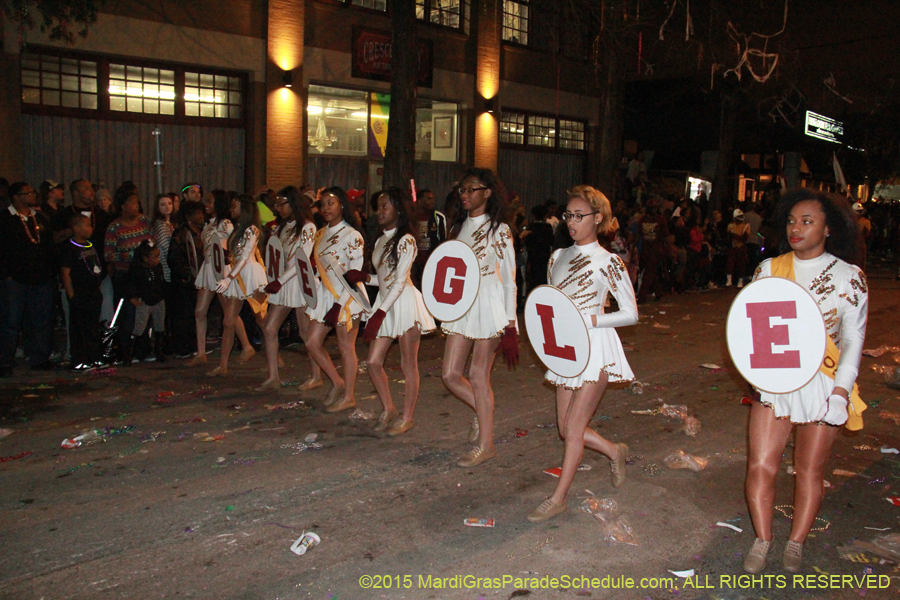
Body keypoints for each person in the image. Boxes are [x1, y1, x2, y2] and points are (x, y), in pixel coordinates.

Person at [743, 189, 867, 574]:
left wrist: (841, 393)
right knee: (761, 464)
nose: (796, 229)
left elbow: (853, 340)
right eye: (792, 221)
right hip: (776, 380)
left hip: (824, 384)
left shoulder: (850, 278)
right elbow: (749, 328)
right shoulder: (768, 269)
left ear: (829, 228)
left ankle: (795, 543)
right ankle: (762, 539)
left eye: (807, 221)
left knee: (809, 469)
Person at [528, 185, 638, 522]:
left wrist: (589, 318)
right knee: (566, 428)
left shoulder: (609, 262)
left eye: (579, 216)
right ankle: (614, 450)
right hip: (565, 349)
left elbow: (631, 313)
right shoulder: (557, 256)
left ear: (598, 218)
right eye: (568, 216)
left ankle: (558, 497)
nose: (571, 222)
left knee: (574, 428)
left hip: (596, 348)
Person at [441, 168, 518, 468]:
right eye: (462, 189)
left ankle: (487, 445)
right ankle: (482, 413)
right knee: (449, 374)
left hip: (490, 305)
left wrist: (510, 324)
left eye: (471, 189)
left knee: (477, 376)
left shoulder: (499, 230)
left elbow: (510, 279)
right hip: (463, 305)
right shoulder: (458, 227)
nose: (464, 194)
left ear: (487, 193)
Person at [346, 188, 436, 435]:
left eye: (385, 206)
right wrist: (366, 277)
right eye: (378, 207)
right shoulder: (380, 239)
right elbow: (385, 279)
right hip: (385, 304)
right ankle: (389, 408)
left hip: (404, 304)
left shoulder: (406, 240)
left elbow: (399, 281)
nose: (379, 211)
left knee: (409, 365)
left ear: (399, 209)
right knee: (373, 362)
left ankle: (407, 417)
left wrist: (379, 313)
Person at [304, 187, 365, 413]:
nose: (326, 208)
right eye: (323, 204)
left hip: (347, 296)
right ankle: (337, 382)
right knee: (311, 341)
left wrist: (339, 304)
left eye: (331, 203)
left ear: (342, 206)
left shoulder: (353, 235)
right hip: (326, 294)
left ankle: (349, 395)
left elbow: (355, 274)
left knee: (345, 347)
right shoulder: (320, 233)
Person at [258, 186, 321, 391]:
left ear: (293, 203)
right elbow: (276, 256)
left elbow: (301, 260)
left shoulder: (308, 227)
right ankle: (273, 375)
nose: (277, 208)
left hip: (300, 280)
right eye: (276, 204)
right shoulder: (281, 227)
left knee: (305, 333)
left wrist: (279, 280)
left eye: (281, 204)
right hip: (284, 281)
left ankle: (316, 376)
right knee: (269, 328)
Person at [186, 190, 254, 366]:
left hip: (222, 269)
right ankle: (201, 352)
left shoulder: (227, 224)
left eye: (210, 201)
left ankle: (246, 346)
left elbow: (233, 247)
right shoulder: (209, 224)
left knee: (229, 313)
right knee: (200, 311)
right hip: (208, 268)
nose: (206, 204)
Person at [0, 182, 58, 376]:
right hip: (15, 280)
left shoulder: (40, 217)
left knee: (41, 320)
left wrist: (51, 271)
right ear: (16, 197)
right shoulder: (5, 219)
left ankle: (40, 358)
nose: (33, 195)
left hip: (41, 278)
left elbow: (49, 246)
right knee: (11, 321)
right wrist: (6, 275)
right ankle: (4, 361)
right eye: (28, 193)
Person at [210, 194, 268, 376]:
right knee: (228, 321)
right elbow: (233, 256)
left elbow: (244, 258)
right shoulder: (236, 229)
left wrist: (229, 277)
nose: (231, 210)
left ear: (244, 208)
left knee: (262, 320)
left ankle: (275, 359)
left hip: (250, 275)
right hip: (237, 276)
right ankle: (223, 366)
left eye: (235, 206)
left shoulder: (252, 230)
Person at [103, 187, 152, 363]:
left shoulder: (145, 222)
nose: (136, 205)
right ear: (122, 206)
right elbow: (109, 254)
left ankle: (143, 350)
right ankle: (125, 351)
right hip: (124, 276)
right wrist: (129, 255)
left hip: (144, 274)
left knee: (144, 312)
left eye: (137, 202)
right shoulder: (115, 227)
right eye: (132, 202)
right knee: (127, 314)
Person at [60, 214, 104, 371]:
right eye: (86, 225)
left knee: (93, 326)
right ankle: (79, 359)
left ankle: (94, 357)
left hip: (93, 293)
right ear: (76, 228)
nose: (90, 228)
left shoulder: (90, 245)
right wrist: (71, 295)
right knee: (79, 328)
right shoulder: (70, 248)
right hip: (80, 294)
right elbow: (65, 272)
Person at [167, 201, 203, 358]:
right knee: (183, 315)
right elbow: (173, 258)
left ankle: (195, 345)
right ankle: (182, 347)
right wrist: (186, 275)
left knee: (195, 313)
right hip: (184, 282)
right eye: (198, 213)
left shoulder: (201, 231)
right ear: (189, 216)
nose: (201, 216)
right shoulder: (181, 233)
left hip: (198, 281)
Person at [124, 241, 167, 363]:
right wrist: (133, 298)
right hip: (144, 302)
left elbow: (161, 282)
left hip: (158, 300)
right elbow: (128, 284)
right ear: (145, 258)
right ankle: (129, 355)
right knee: (139, 328)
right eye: (155, 257)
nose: (158, 259)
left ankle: (159, 351)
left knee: (159, 327)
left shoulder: (158, 267)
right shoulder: (137, 269)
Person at [411, 188, 447, 288]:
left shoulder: (438, 217)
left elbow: (443, 240)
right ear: (419, 201)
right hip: (414, 263)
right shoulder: (412, 218)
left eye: (432, 199)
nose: (432, 201)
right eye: (428, 199)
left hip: (430, 262)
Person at [726, 209, 751, 287]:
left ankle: (740, 281)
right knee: (730, 264)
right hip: (733, 246)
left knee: (741, 265)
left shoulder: (746, 226)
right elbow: (728, 237)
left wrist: (733, 235)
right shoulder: (730, 225)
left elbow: (744, 238)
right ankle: (729, 280)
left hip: (742, 247)